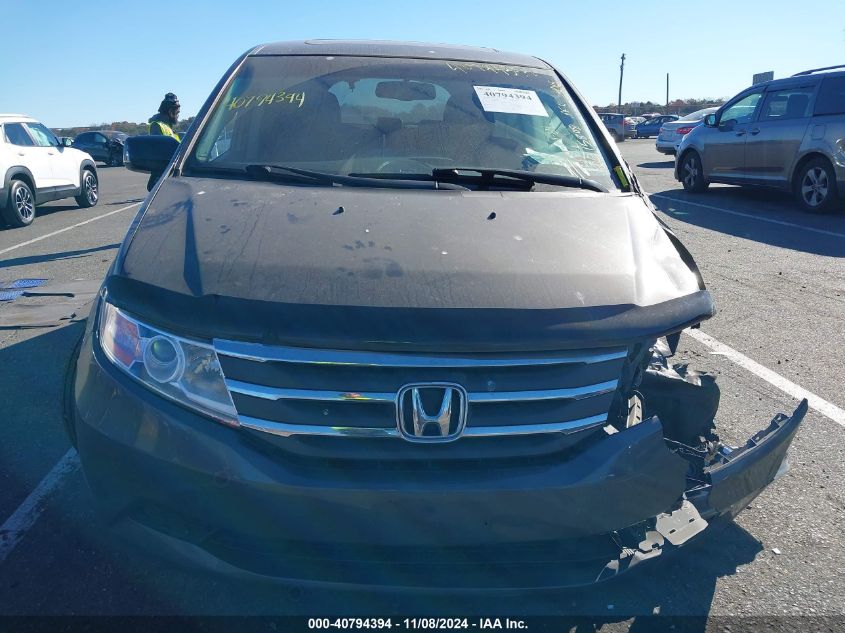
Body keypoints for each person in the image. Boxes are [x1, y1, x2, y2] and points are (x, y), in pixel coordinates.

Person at [146, 93, 181, 191]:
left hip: (172, 177)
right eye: (177, 112)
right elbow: (160, 153)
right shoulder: (157, 126)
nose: (178, 115)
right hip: (162, 177)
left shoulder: (170, 128)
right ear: (170, 112)